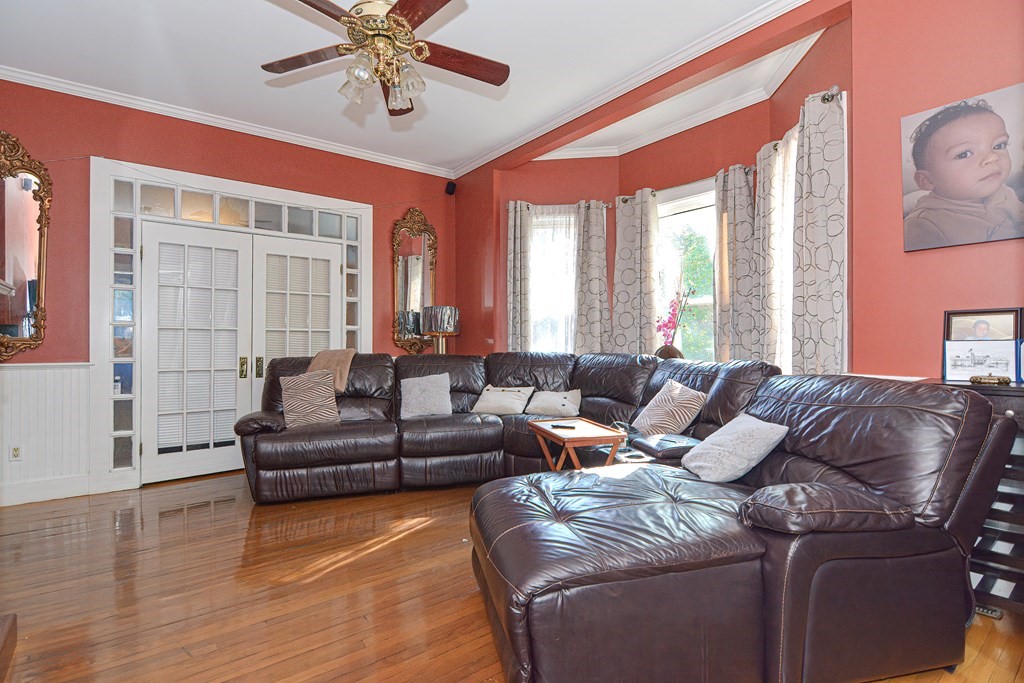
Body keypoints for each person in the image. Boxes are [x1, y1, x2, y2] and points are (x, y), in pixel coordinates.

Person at [904, 100, 1024, 251]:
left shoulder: (1004, 191)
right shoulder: (923, 226)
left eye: (998, 145)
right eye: (964, 154)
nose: (992, 157)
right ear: (927, 180)